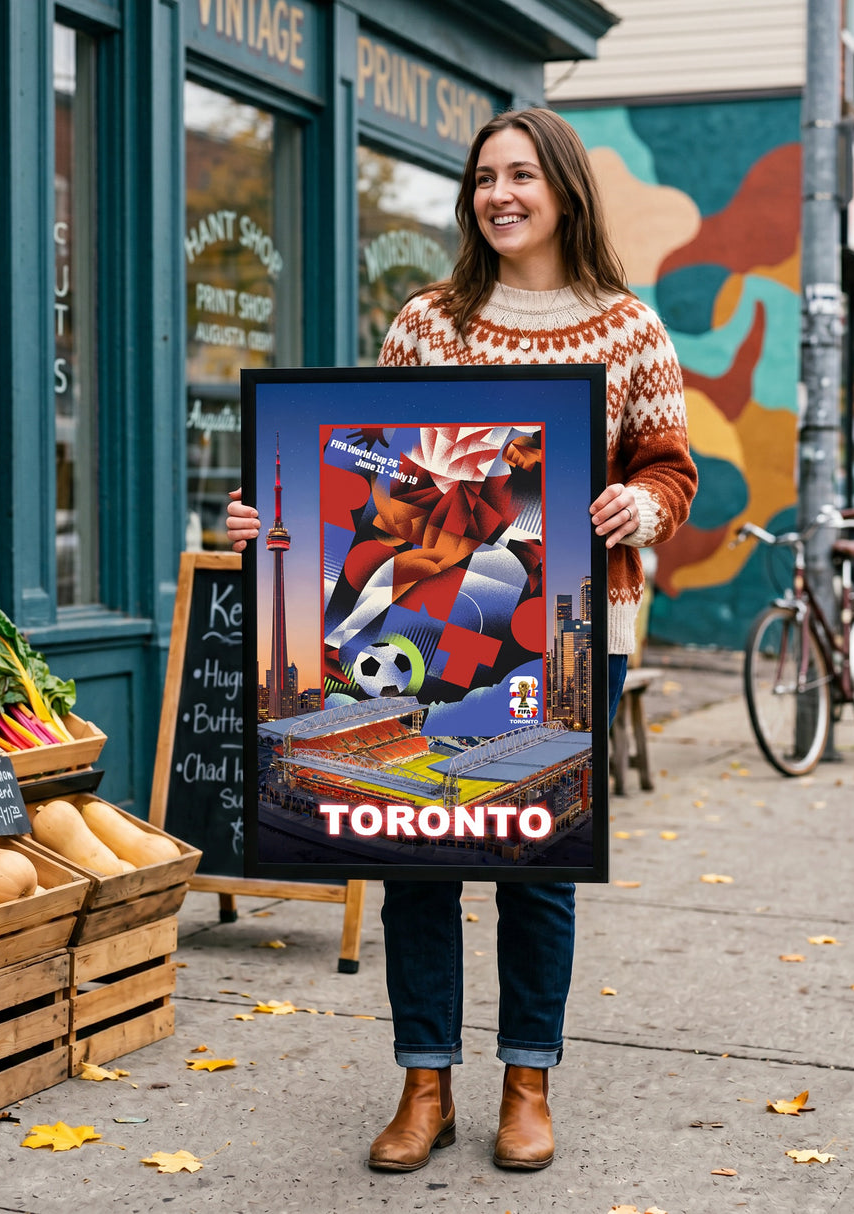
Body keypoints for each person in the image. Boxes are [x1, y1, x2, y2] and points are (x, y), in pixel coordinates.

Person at [227, 106, 696, 1174]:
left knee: (537, 861)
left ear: (564, 190)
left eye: (522, 175)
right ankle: (424, 1080)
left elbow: (670, 467)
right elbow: (370, 467)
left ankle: (526, 1078)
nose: (500, 195)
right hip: (420, 621)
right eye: (484, 177)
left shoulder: (628, 327)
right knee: (414, 857)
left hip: (574, 628)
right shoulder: (427, 319)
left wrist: (638, 504)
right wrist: (275, 512)